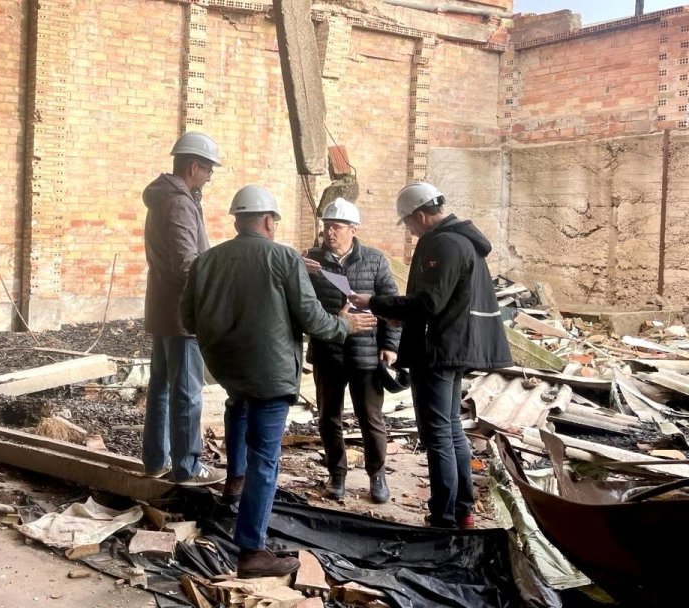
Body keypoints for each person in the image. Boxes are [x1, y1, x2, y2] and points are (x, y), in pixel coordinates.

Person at [182, 185, 377, 577]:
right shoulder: (285, 258)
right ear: (270, 220)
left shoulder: (207, 261)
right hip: (270, 373)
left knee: (237, 409)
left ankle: (234, 484)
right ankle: (252, 551)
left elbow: (188, 319)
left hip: (228, 368)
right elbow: (313, 320)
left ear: (238, 219)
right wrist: (347, 324)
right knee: (265, 459)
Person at [348, 182, 511, 529]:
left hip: (438, 351)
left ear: (420, 215)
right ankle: (462, 510)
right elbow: (442, 302)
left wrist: (373, 302)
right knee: (451, 430)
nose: (409, 229)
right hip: (451, 347)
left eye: (408, 223)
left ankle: (444, 515)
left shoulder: (445, 243)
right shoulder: (463, 241)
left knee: (438, 434)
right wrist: (400, 314)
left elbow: (430, 302)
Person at [301, 197, 399, 504]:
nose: (330, 232)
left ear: (352, 229)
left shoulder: (374, 260)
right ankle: (337, 474)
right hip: (327, 352)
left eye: (337, 227)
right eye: (327, 226)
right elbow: (302, 305)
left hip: (365, 352)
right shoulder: (311, 262)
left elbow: (391, 303)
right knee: (329, 417)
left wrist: (389, 344)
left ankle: (377, 475)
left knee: (370, 418)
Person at [142, 131, 225, 485]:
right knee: (187, 394)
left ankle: (155, 461)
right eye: (208, 171)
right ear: (194, 167)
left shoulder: (164, 198)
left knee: (160, 388)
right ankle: (186, 468)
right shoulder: (178, 203)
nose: (209, 178)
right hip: (180, 314)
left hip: (162, 309)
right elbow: (186, 263)